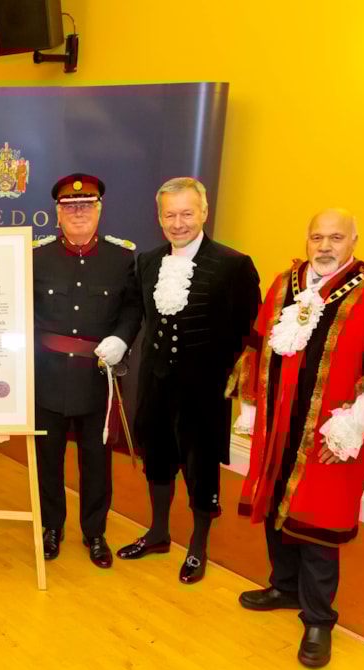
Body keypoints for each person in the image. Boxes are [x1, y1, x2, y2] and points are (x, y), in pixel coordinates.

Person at [234, 209, 364, 668]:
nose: (324, 246)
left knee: (319, 521)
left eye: (335, 237)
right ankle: (283, 586)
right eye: (317, 236)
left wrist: (354, 426)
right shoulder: (285, 283)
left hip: (333, 429)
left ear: (354, 240)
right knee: (277, 501)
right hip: (279, 424)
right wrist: (251, 405)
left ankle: (318, 618)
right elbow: (259, 342)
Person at [117, 177, 261, 583]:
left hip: (204, 389)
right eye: (169, 214)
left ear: (204, 212)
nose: (178, 222)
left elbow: (247, 334)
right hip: (155, 381)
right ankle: (159, 532)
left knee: (201, 465)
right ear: (159, 217)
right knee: (157, 457)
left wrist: (235, 387)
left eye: (186, 213)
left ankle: (198, 546)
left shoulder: (234, 265)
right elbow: (140, 314)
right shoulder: (147, 261)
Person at [32, 173, 143, 567]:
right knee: (48, 458)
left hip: (98, 377)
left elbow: (133, 308)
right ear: (56, 213)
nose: (78, 213)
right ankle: (50, 527)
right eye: (69, 207)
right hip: (46, 376)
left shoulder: (122, 258)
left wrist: (122, 338)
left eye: (86, 205)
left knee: (96, 461)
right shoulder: (37, 257)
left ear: (100, 210)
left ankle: (95, 533)